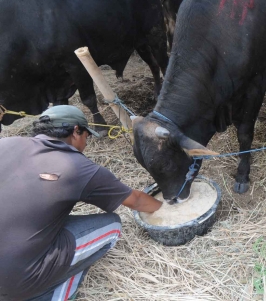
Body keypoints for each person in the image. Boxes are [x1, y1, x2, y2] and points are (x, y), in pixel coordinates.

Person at [0, 105, 162, 301]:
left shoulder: (5, 143)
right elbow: (136, 201)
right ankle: (56, 294)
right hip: (15, 282)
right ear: (76, 131)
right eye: (87, 136)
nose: (86, 143)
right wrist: (166, 208)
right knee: (112, 226)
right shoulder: (77, 166)